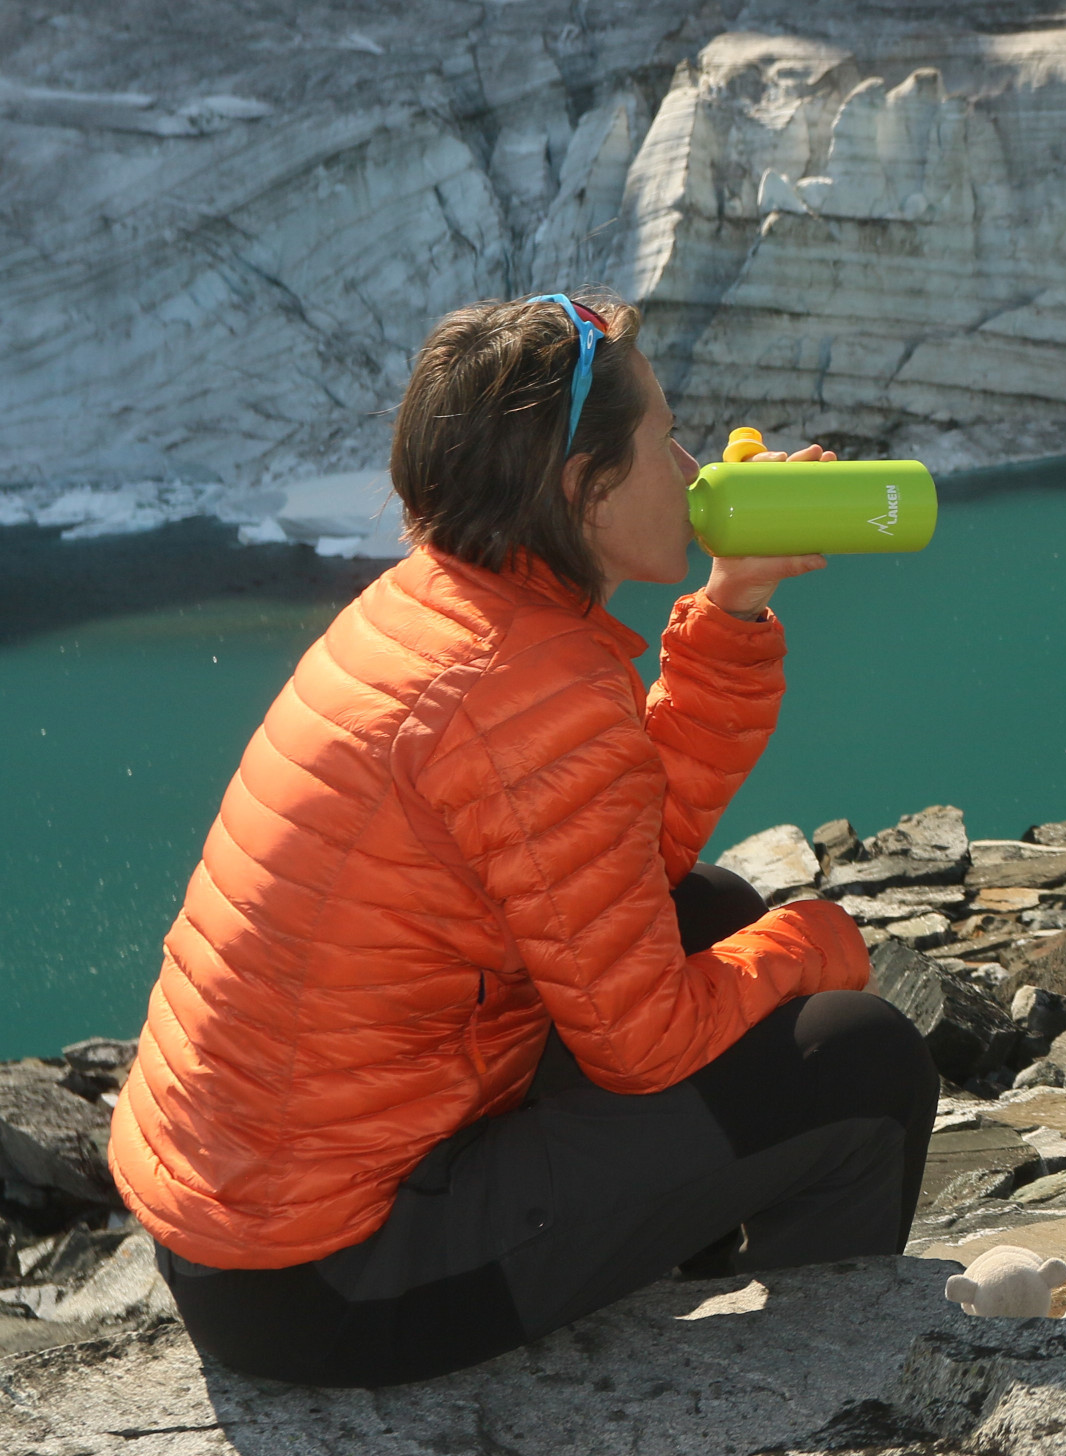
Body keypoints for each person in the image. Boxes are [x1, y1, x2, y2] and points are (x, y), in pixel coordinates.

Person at [107, 292, 937, 1387]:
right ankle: (798, 1390)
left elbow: (614, 848)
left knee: (710, 914)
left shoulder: (442, 610)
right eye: (662, 442)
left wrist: (729, 608)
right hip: (332, 1279)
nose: (692, 472)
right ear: (582, 490)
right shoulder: (521, 687)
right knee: (861, 1059)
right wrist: (814, 944)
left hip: (251, 1222)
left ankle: (658, 1279)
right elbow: (640, 1043)